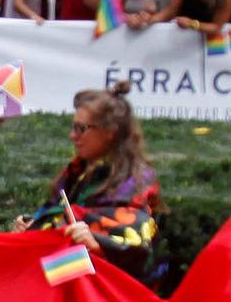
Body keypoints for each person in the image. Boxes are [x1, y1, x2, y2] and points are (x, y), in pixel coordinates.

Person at [26, 85, 161, 279]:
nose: (73, 136)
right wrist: (34, 226)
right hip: (68, 277)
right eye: (74, 127)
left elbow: (138, 250)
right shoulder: (75, 172)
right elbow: (56, 214)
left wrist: (97, 243)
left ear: (109, 132)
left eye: (82, 129)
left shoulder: (137, 181)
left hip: (107, 294)